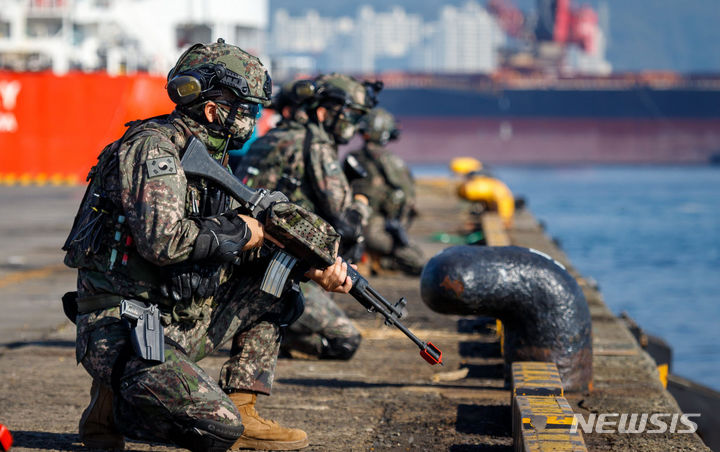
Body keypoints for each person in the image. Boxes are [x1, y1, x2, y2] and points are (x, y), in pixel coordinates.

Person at [62, 39, 353, 452]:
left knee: (276, 287)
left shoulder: (213, 158)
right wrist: (241, 231)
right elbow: (162, 241)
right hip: (121, 327)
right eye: (247, 109)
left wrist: (312, 268)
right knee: (217, 429)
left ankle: (244, 407)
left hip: (174, 318)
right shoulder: (154, 148)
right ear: (214, 110)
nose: (253, 120)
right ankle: (116, 409)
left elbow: (242, 247)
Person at [235, 74, 379, 360]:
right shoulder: (315, 144)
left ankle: (279, 328)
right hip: (271, 266)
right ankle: (282, 334)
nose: (351, 123)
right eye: (349, 114)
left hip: (243, 253)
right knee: (345, 341)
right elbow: (345, 218)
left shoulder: (273, 136)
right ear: (324, 112)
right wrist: (362, 198)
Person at [344, 107, 425, 275]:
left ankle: (381, 259)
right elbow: (409, 197)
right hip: (369, 227)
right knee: (418, 261)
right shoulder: (388, 161)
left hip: (361, 224)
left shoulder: (355, 158)